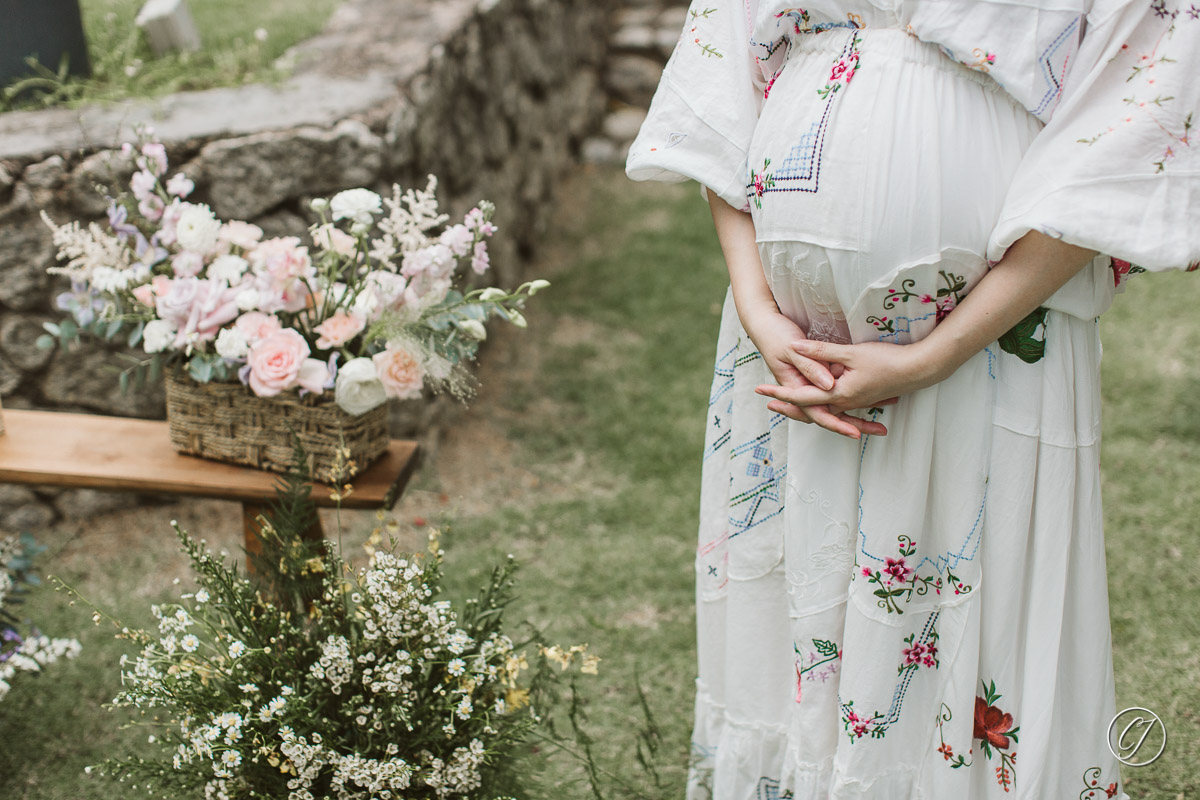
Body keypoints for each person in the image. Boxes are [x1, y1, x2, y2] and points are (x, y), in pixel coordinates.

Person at [625, 1, 1197, 798]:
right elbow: (726, 87)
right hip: (788, 356)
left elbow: (1125, 119)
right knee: (797, 605)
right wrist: (759, 309)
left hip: (992, 348)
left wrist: (936, 353)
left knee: (972, 620)